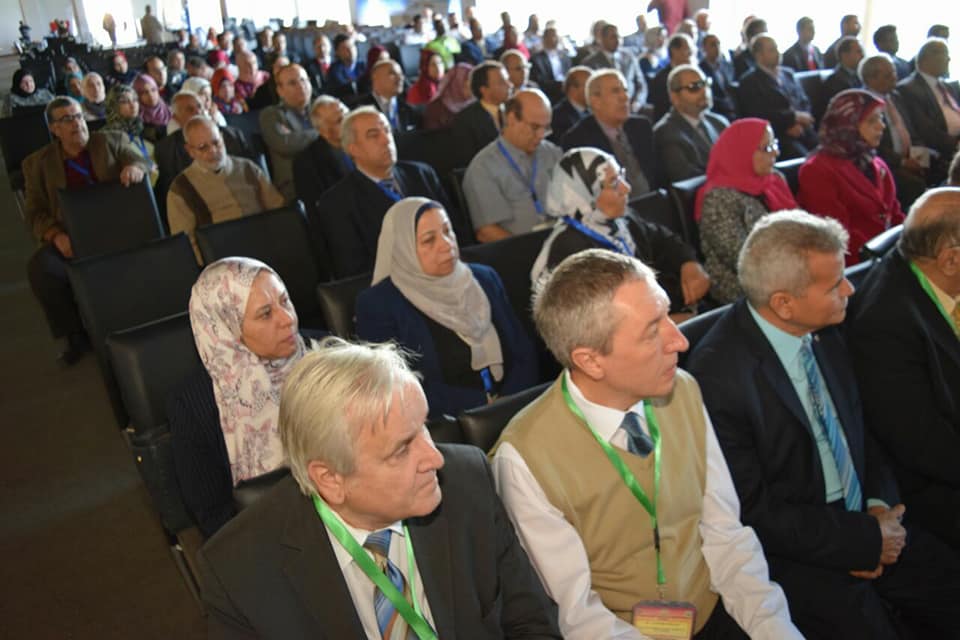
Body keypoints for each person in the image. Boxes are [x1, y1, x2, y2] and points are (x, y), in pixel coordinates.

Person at [492, 248, 803, 639]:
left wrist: (774, 630)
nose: (680, 341)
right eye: (652, 331)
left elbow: (725, 534)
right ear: (591, 361)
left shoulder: (683, 390)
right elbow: (578, 614)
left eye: (667, 315)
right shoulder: (523, 459)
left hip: (713, 611)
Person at [687, 209, 960, 640]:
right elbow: (752, 510)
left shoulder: (827, 330)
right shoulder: (719, 379)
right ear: (784, 303)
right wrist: (861, 540)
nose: (850, 289)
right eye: (835, 285)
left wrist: (878, 506)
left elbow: (866, 429)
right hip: (802, 551)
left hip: (870, 519)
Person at [196, 336, 562, 637]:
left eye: (424, 427)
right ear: (330, 479)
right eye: (401, 449)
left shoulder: (466, 482)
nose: (435, 458)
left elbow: (531, 625)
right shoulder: (238, 571)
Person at [169, 257, 316, 538]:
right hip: (268, 537)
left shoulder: (327, 353)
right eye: (265, 314)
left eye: (285, 301)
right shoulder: (194, 405)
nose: (287, 319)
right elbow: (214, 515)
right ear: (228, 328)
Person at [847, 187, 960, 547]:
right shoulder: (884, 322)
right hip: (935, 487)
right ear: (950, 260)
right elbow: (922, 444)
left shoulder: (936, 273)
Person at [356, 197, 539, 417]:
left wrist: (511, 400)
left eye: (447, 231)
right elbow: (398, 386)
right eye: (429, 240)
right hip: (448, 424)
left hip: (518, 408)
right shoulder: (379, 305)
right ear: (403, 248)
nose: (446, 244)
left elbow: (523, 350)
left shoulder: (484, 278)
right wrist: (484, 406)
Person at [24, 97, 148, 364]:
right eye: (67, 119)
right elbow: (34, 213)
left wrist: (135, 167)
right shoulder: (38, 163)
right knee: (42, 268)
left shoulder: (110, 141)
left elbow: (140, 159)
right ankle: (75, 335)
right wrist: (55, 235)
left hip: (118, 228)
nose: (77, 123)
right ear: (54, 129)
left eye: (79, 116)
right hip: (72, 237)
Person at [533, 147, 708, 317]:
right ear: (585, 196)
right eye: (614, 183)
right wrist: (661, 326)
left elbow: (664, 241)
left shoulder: (622, 220)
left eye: (621, 176)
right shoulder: (568, 251)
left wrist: (689, 263)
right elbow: (594, 322)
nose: (626, 188)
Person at [311, 107, 454, 278]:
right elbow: (356, 272)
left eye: (387, 131)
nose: (386, 140)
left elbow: (457, 233)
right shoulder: (337, 203)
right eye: (373, 135)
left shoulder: (422, 174)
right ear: (353, 149)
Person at [697, 118, 798, 304]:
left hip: (789, 271)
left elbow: (801, 227)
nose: (776, 152)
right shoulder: (718, 199)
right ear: (742, 152)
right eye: (767, 148)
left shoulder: (774, 180)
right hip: (747, 289)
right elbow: (742, 257)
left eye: (774, 144)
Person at [797, 90, 904, 264]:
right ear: (848, 124)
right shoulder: (816, 170)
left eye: (881, 118)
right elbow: (836, 235)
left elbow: (896, 214)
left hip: (889, 256)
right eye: (872, 121)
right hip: (856, 263)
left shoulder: (875, 162)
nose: (881, 126)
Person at [168, 117, 283, 260]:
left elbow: (278, 210)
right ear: (190, 151)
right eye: (203, 147)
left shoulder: (248, 168)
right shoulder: (180, 189)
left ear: (222, 138)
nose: (213, 151)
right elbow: (187, 245)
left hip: (266, 244)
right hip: (223, 259)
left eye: (216, 142)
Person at [463, 90, 562, 242]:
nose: (541, 135)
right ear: (511, 119)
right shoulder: (483, 168)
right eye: (535, 127)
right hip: (520, 250)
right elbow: (487, 232)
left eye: (546, 127)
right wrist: (530, 251)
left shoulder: (553, 154)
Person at [563, 69, 657, 196]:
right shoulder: (578, 140)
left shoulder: (641, 126)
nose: (625, 97)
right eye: (616, 91)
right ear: (595, 101)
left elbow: (658, 175)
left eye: (625, 90)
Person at [859, 55, 929, 208]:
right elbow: (872, 146)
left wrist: (919, 154)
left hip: (910, 155)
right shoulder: (863, 103)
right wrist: (902, 162)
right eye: (888, 75)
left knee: (939, 165)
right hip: (885, 162)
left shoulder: (896, 96)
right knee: (914, 184)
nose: (894, 78)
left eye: (894, 72)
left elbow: (911, 130)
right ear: (871, 79)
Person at [738, 35, 818, 159]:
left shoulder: (788, 74)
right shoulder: (750, 82)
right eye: (772, 50)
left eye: (777, 48)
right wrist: (792, 119)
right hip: (778, 135)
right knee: (803, 158)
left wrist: (802, 121)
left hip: (804, 129)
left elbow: (804, 101)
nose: (777, 53)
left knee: (826, 152)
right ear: (759, 55)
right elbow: (759, 114)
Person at [654, 64, 729, 185]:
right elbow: (686, 178)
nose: (704, 91)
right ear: (674, 97)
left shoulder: (719, 122)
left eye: (705, 83)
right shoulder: (665, 132)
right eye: (694, 87)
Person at [259, 64, 318, 202]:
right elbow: (285, 143)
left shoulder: (320, 107)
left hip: (328, 174)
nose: (301, 86)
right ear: (280, 91)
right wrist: (322, 132)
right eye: (292, 83)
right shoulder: (271, 115)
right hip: (297, 185)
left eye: (303, 80)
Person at [898, 38, 960, 161]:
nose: (949, 59)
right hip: (941, 152)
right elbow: (925, 131)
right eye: (944, 54)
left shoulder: (948, 86)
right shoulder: (909, 89)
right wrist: (957, 145)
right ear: (927, 59)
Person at [293, 96, 351, 213]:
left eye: (349, 115)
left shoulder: (366, 142)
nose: (350, 123)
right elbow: (321, 210)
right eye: (340, 120)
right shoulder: (307, 164)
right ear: (324, 132)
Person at [452, 61, 511, 165]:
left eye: (508, 80)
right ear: (484, 90)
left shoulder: (514, 110)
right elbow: (468, 161)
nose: (510, 85)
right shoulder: (466, 120)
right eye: (502, 82)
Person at [582, 23, 647, 111]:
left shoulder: (629, 57)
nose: (617, 40)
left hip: (632, 106)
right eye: (613, 37)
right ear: (602, 39)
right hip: (607, 109)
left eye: (619, 37)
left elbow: (641, 84)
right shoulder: (590, 63)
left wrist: (638, 102)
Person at [102, 84, 157, 182]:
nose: (133, 105)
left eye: (135, 100)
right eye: (125, 101)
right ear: (113, 105)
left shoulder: (146, 129)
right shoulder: (107, 136)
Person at [358, 60, 421, 134]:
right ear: (375, 77)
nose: (400, 78)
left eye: (401, 74)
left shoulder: (410, 109)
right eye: (392, 73)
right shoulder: (359, 108)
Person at [649, 34, 695, 123]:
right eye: (688, 49)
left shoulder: (695, 74)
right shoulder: (662, 80)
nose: (691, 53)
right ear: (675, 51)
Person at [817, 37, 865, 119]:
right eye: (859, 52)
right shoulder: (835, 81)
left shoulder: (860, 76)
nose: (863, 55)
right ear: (845, 55)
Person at [699, 34, 737, 122]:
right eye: (713, 45)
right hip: (717, 113)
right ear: (704, 49)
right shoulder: (700, 70)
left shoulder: (728, 66)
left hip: (735, 110)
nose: (717, 47)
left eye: (718, 44)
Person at [423, 62, 473, 130]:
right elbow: (433, 134)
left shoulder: (475, 107)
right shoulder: (436, 108)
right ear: (457, 84)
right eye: (466, 86)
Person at [549, 67, 591, 144]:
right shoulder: (558, 116)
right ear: (573, 88)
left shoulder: (593, 112)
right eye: (589, 87)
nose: (594, 92)